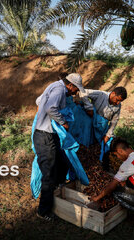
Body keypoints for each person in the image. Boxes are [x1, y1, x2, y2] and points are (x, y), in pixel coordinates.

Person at [33, 73, 85, 221]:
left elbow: (40, 101)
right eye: (76, 89)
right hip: (44, 136)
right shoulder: (60, 90)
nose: (76, 92)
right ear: (71, 85)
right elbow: (50, 108)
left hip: (50, 134)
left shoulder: (54, 86)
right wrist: (63, 122)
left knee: (62, 161)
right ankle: (43, 211)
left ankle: (57, 191)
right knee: (48, 173)